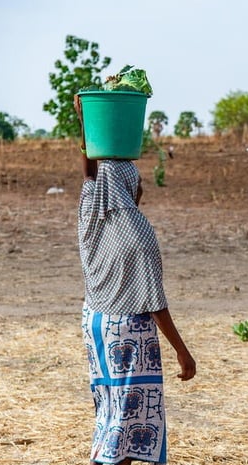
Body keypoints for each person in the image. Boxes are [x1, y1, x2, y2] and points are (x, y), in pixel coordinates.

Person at [75, 96, 196, 465]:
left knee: (109, 409)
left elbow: (90, 174)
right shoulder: (136, 230)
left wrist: (85, 121)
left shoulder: (90, 214)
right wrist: (182, 350)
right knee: (127, 421)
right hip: (127, 331)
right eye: (138, 182)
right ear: (131, 185)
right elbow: (153, 302)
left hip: (94, 323)